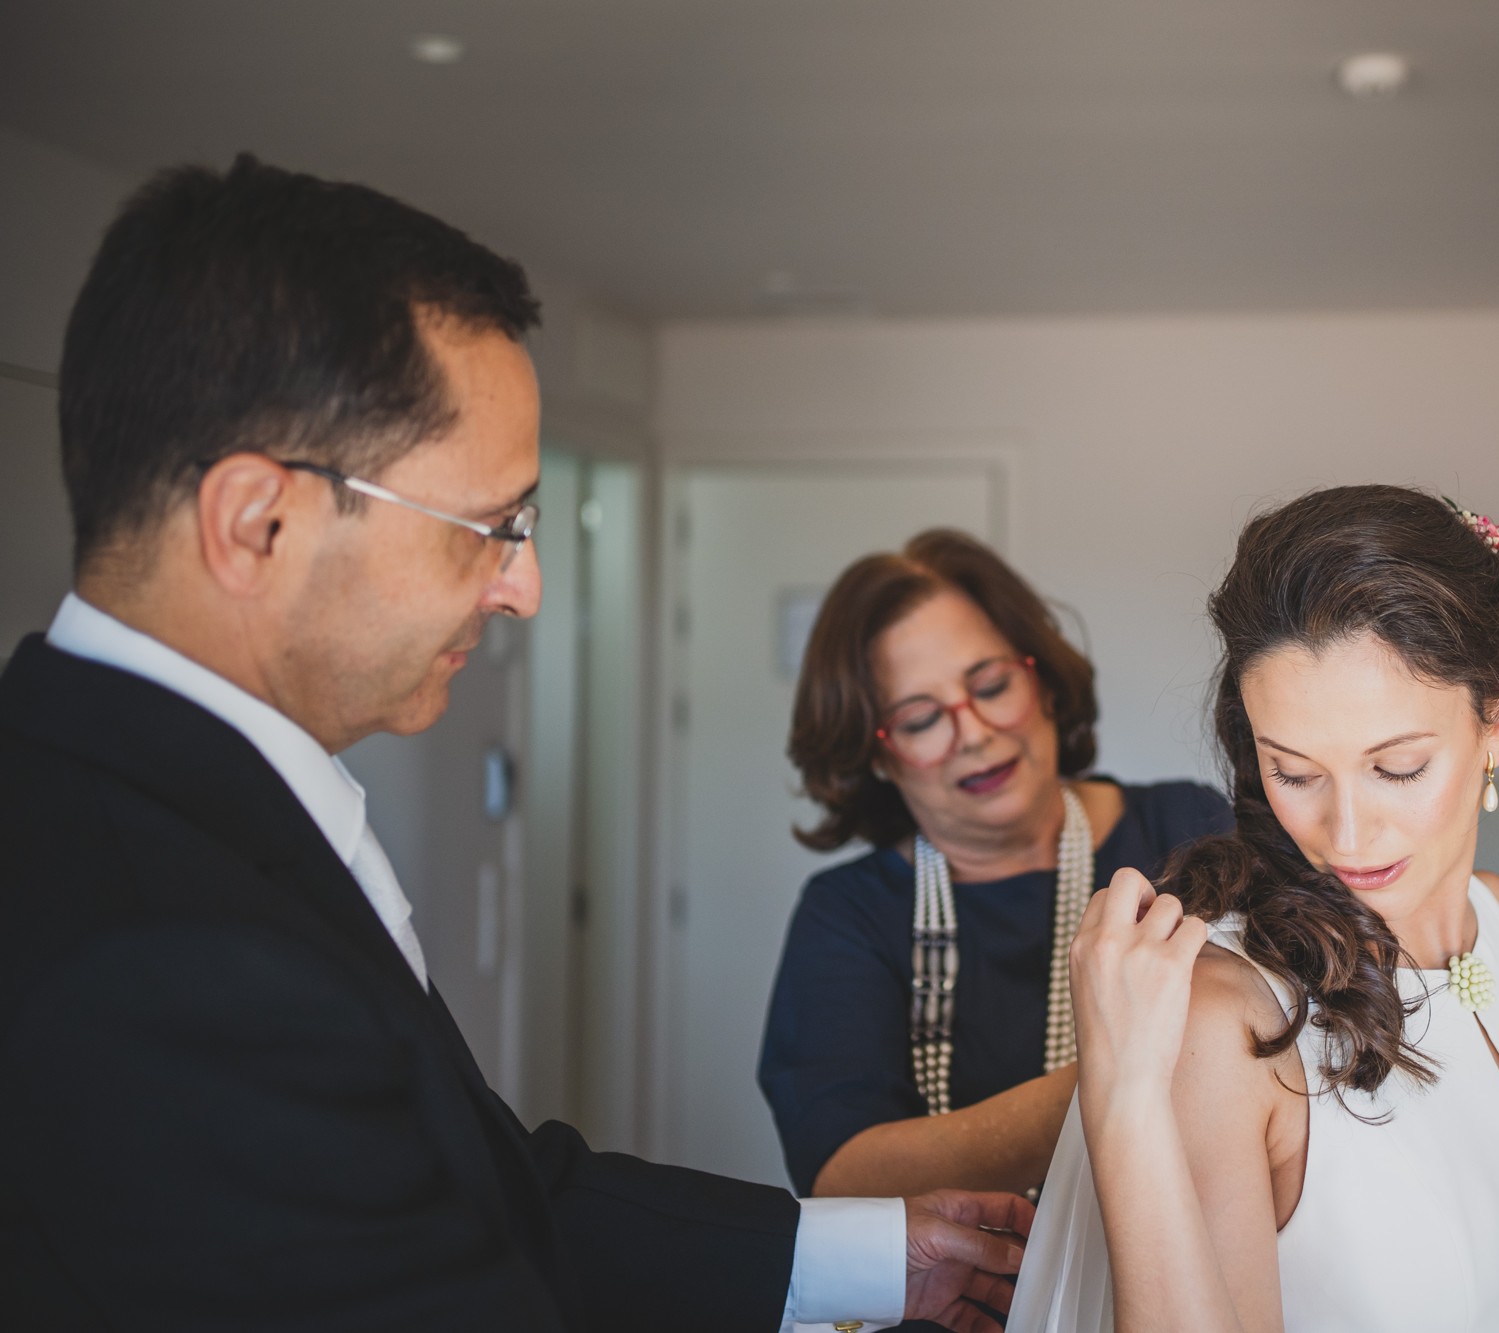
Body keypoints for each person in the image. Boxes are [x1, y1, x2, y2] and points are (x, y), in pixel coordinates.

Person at [0, 155, 1030, 1332]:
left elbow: (489, 1190)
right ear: (259, 522)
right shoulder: (157, 958)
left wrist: (887, 1255)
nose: (524, 588)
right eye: (488, 528)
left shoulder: (180, 805)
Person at [1015, 484, 1499, 1332]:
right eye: (1295, 772)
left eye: (1398, 767)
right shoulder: (1228, 1026)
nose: (1345, 832)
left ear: (1498, 720)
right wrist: (1124, 1101)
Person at [759, 531, 1232, 1218]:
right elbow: (840, 1173)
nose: (974, 731)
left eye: (991, 685)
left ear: (1040, 681)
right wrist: (1118, 1081)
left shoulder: (1190, 829)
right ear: (878, 756)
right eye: (922, 719)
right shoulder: (847, 913)